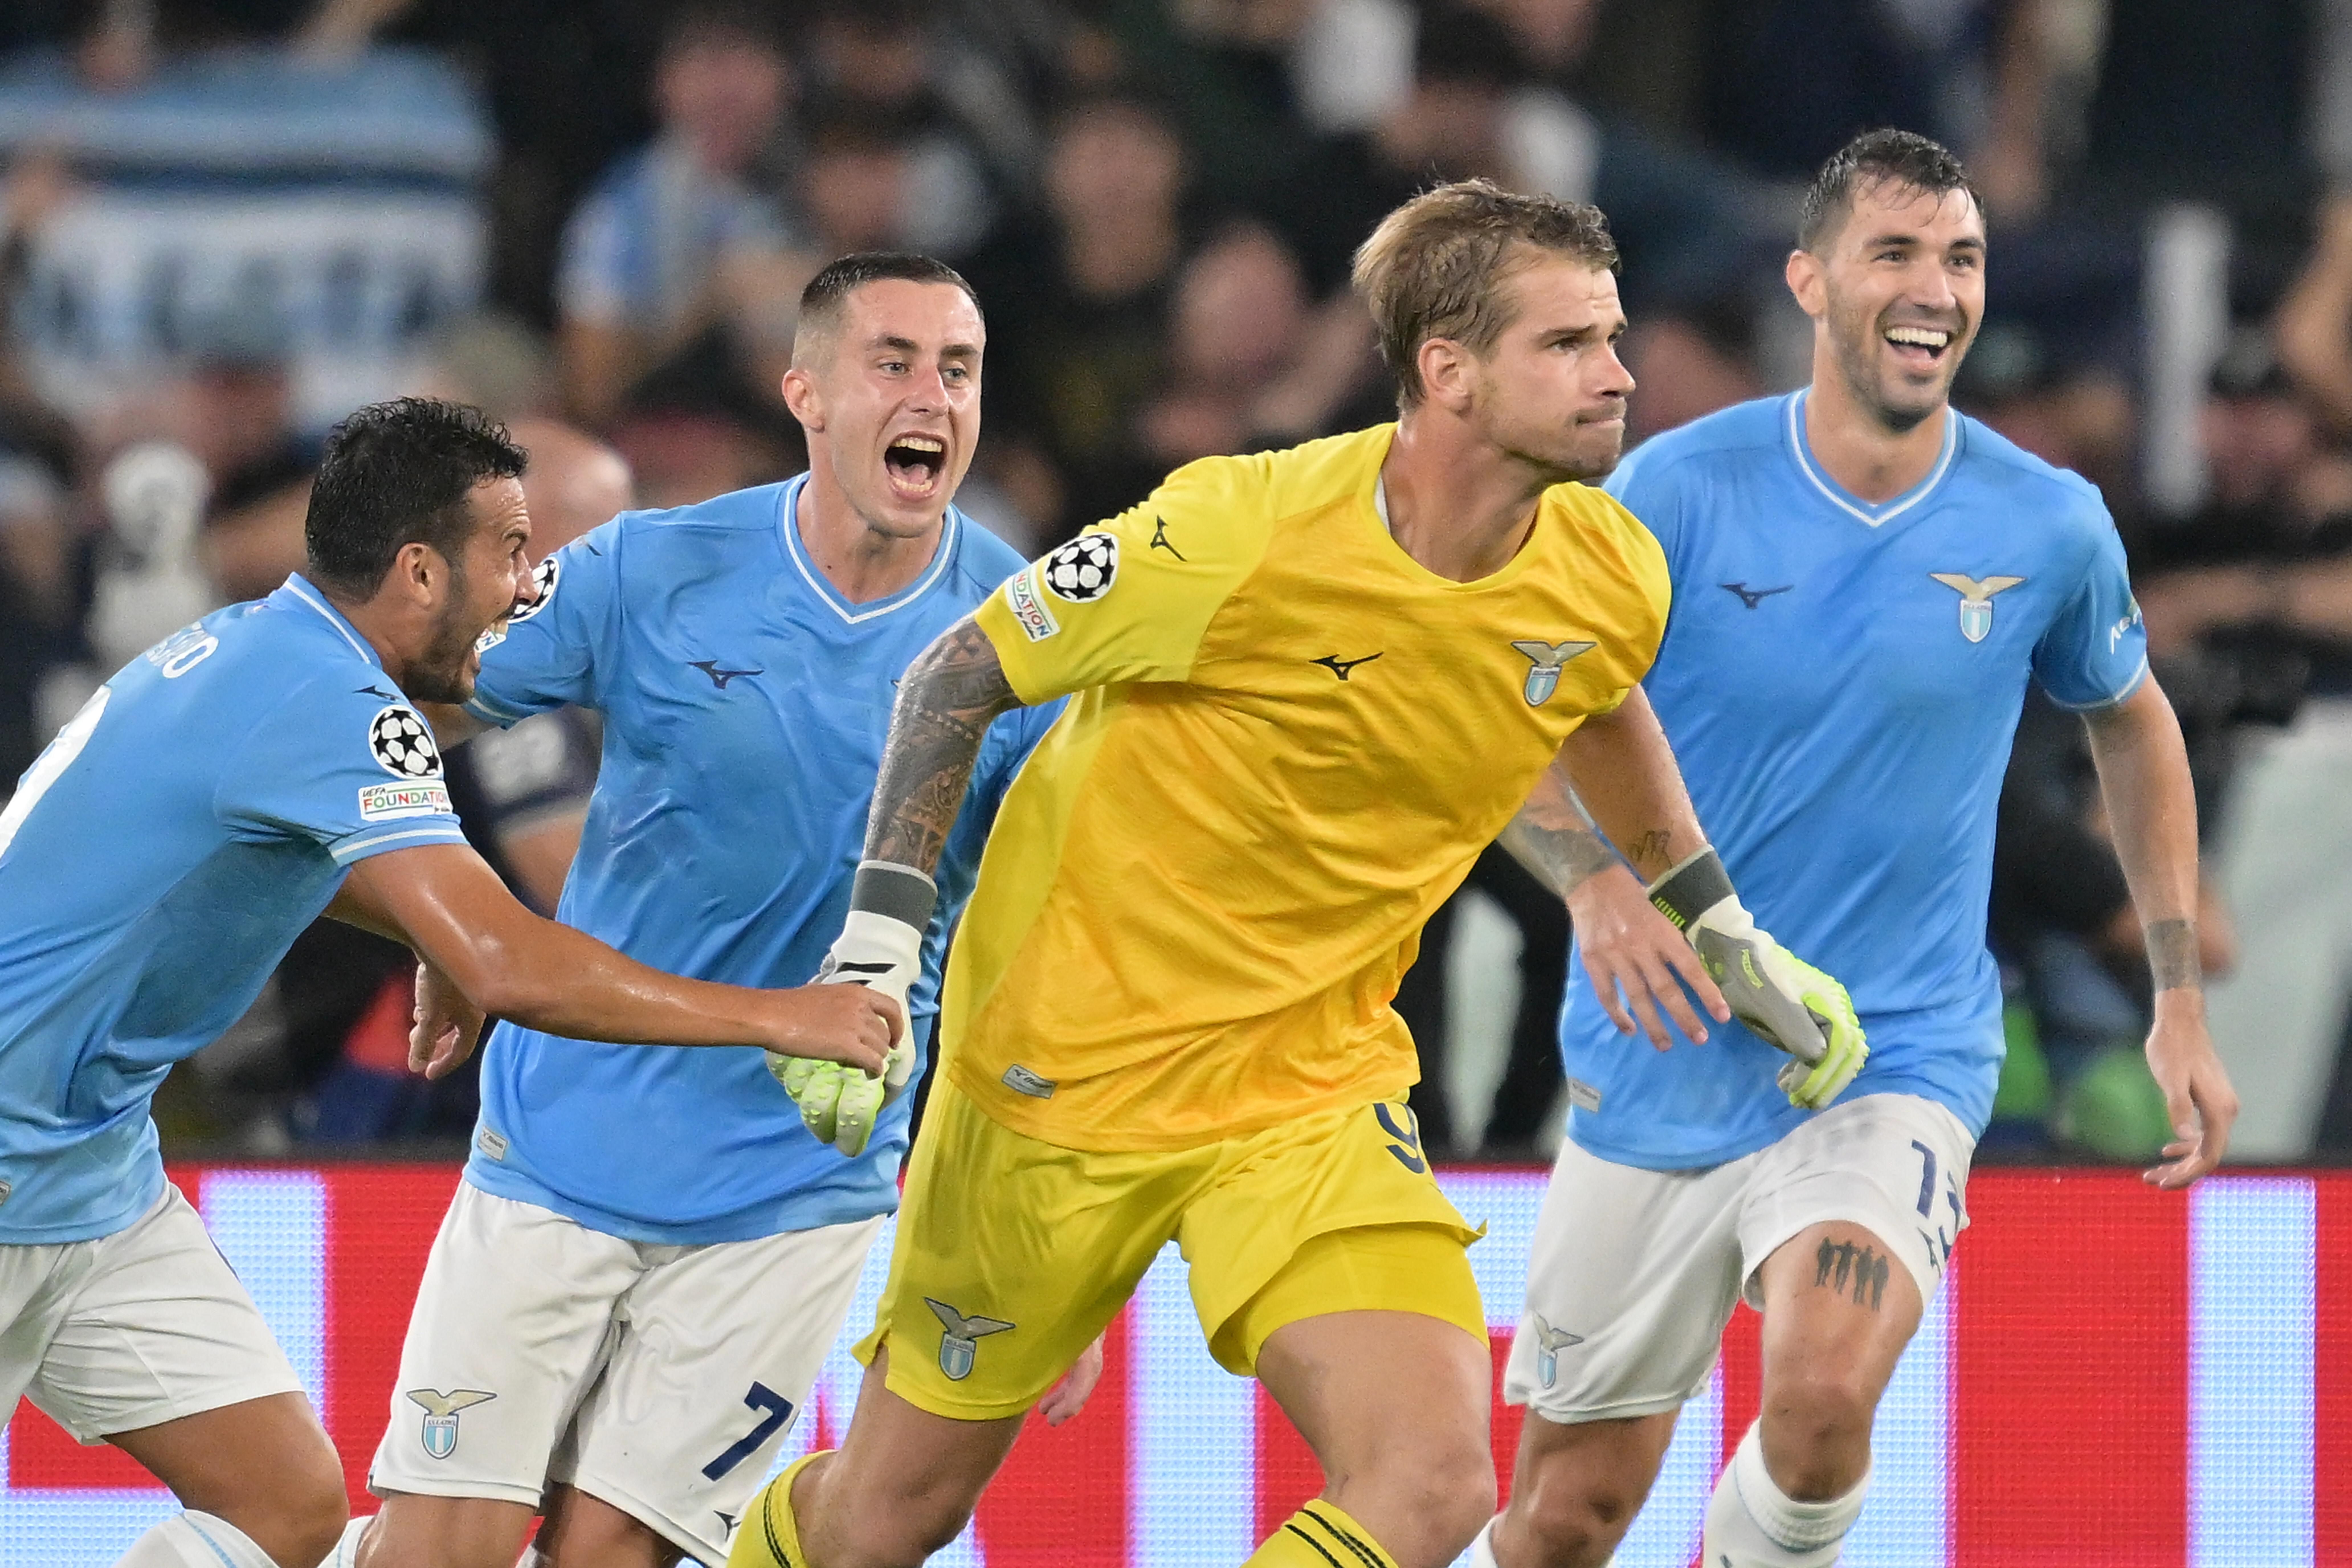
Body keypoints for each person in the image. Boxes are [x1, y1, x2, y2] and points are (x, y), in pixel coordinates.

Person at [732, 182, 1864, 1568]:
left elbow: (1593, 692)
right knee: (886, 1522)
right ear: (1446, 371)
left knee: (1438, 1482)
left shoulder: (1607, 561)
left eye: (1613, 336)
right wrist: (874, 952)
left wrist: (1717, 919)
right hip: (1059, 1077)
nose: (1618, 372)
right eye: (1569, 343)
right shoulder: (1235, 527)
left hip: (1310, 1087)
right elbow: (955, 675)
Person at [1473, 130, 2241, 1568]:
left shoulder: (2049, 523)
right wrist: (1594, 889)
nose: (1936, 287)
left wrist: (2180, 994)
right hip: (1664, 1051)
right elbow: (1507, 720)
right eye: (1896, 252)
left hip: (1891, 1052)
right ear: (1811, 280)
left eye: (1961, 258)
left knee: (1823, 1396)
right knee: (1562, 1519)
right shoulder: (1673, 495)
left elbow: (2134, 727)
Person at [0, 397, 891, 1568]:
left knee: (287, 1506)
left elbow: (254, 860)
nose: (530, 588)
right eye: (511, 553)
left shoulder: (275, 655)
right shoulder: (327, 701)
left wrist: (427, 933)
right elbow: (515, 959)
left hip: (86, 1169)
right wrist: (786, 1017)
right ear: (421, 570)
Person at [341, 254, 1081, 1568]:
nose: (932, 395)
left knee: (610, 1556)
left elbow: (1054, 960)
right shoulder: (651, 566)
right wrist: (441, 913)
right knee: (430, 1554)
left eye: (957, 370)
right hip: (561, 1144)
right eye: (894, 360)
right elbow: (407, 691)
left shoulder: (1027, 635)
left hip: (795, 1191)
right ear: (805, 390)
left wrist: (1053, 1258)